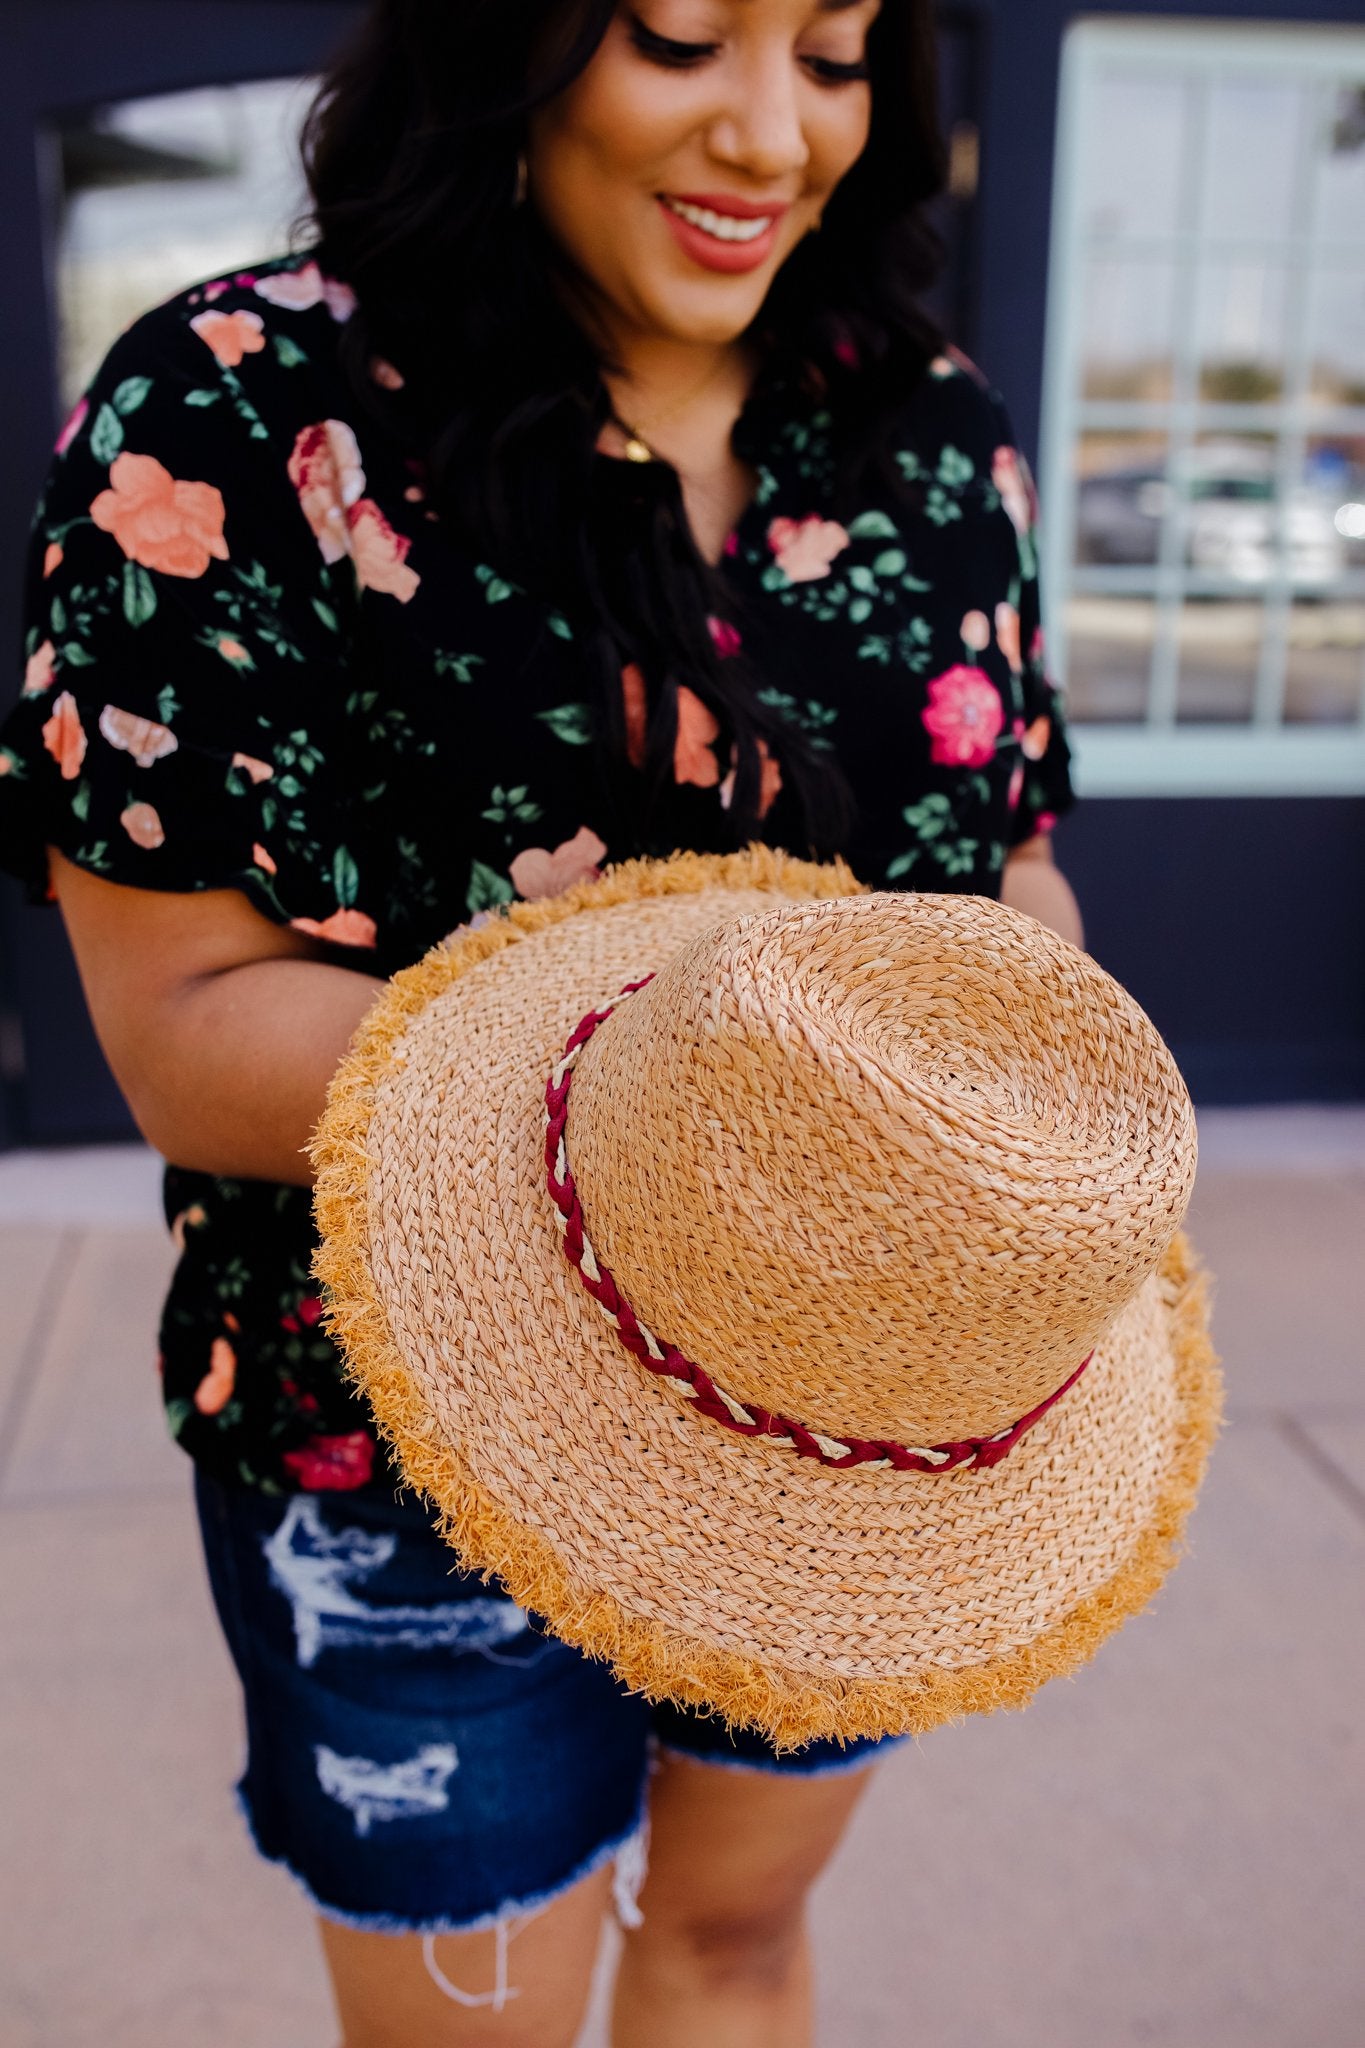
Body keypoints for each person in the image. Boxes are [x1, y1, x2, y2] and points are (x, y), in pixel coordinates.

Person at [0, 0, 1080, 2040]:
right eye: (680, 34)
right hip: (407, 1430)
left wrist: (1032, 1056)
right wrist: (703, 1080)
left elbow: (1008, 856)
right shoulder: (230, 408)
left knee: (741, 1939)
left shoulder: (920, 421)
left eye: (836, 55)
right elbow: (185, 1026)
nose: (771, 132)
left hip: (838, 1420)